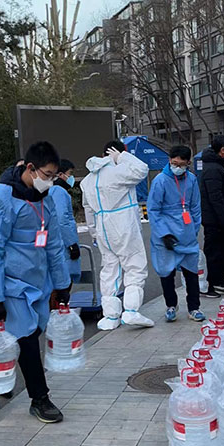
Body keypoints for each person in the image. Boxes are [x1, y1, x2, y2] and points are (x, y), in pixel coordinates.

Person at [0, 142, 71, 423]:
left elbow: (54, 244)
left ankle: (3, 370)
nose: (50, 181)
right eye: (47, 175)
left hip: (33, 277)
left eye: (54, 176)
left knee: (32, 329)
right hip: (3, 279)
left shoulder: (45, 199)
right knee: (26, 336)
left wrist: (62, 284)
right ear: (30, 168)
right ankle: (40, 398)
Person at [80, 139, 154, 330]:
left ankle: (111, 315)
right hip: (123, 224)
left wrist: (94, 233)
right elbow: (142, 169)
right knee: (134, 266)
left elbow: (88, 209)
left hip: (102, 227)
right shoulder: (119, 171)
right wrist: (122, 157)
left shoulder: (87, 180)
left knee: (110, 270)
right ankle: (131, 311)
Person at [147, 144, 205, 323]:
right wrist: (163, 234)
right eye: (174, 163)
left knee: (191, 271)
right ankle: (171, 305)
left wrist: (194, 229)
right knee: (166, 272)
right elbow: (153, 210)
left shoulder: (192, 180)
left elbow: (195, 207)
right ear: (169, 161)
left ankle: (194, 308)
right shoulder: (160, 180)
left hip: (186, 231)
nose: (177, 167)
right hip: (166, 231)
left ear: (188, 163)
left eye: (181, 164)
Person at [200, 135, 224, 298]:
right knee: (215, 250)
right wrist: (223, 218)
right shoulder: (213, 169)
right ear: (222, 150)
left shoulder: (216, 165)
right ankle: (212, 281)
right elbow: (215, 197)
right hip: (214, 219)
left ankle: (219, 279)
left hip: (218, 217)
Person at [48, 159, 81, 302]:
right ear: (61, 174)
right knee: (63, 282)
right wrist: (71, 243)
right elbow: (62, 219)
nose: (71, 177)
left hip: (57, 242)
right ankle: (58, 309)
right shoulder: (59, 192)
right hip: (63, 244)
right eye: (70, 173)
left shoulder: (52, 191)